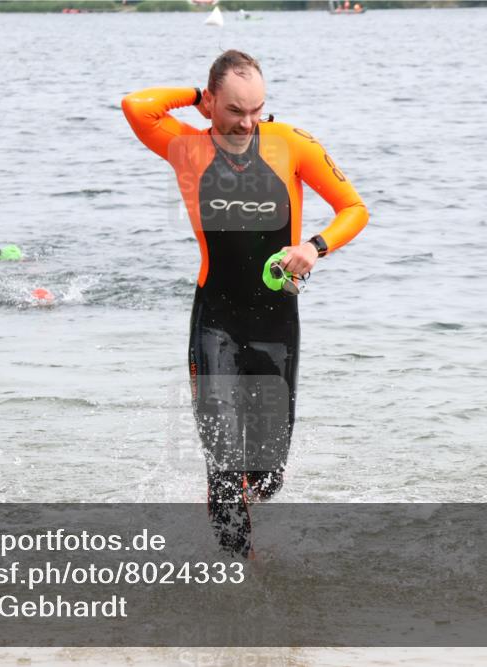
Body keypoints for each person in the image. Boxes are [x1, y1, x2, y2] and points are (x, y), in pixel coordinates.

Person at [122, 51, 369, 556]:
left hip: (276, 323)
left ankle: (226, 508)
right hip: (216, 320)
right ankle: (238, 577)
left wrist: (313, 248)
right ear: (211, 103)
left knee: (268, 475)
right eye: (235, 109)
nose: (248, 122)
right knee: (224, 459)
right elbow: (136, 106)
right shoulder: (184, 146)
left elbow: (354, 209)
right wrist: (195, 96)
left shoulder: (290, 143)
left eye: (257, 108)